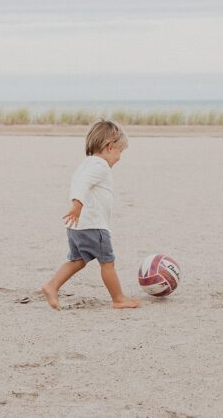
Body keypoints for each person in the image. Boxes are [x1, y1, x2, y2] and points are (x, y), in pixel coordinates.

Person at [41, 120, 141, 310]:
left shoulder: (86, 163)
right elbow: (83, 184)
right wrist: (77, 204)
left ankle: (51, 286)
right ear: (110, 147)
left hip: (77, 226)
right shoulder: (100, 165)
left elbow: (80, 181)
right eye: (120, 152)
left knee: (78, 260)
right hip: (93, 225)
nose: (119, 158)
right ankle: (118, 298)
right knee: (108, 263)